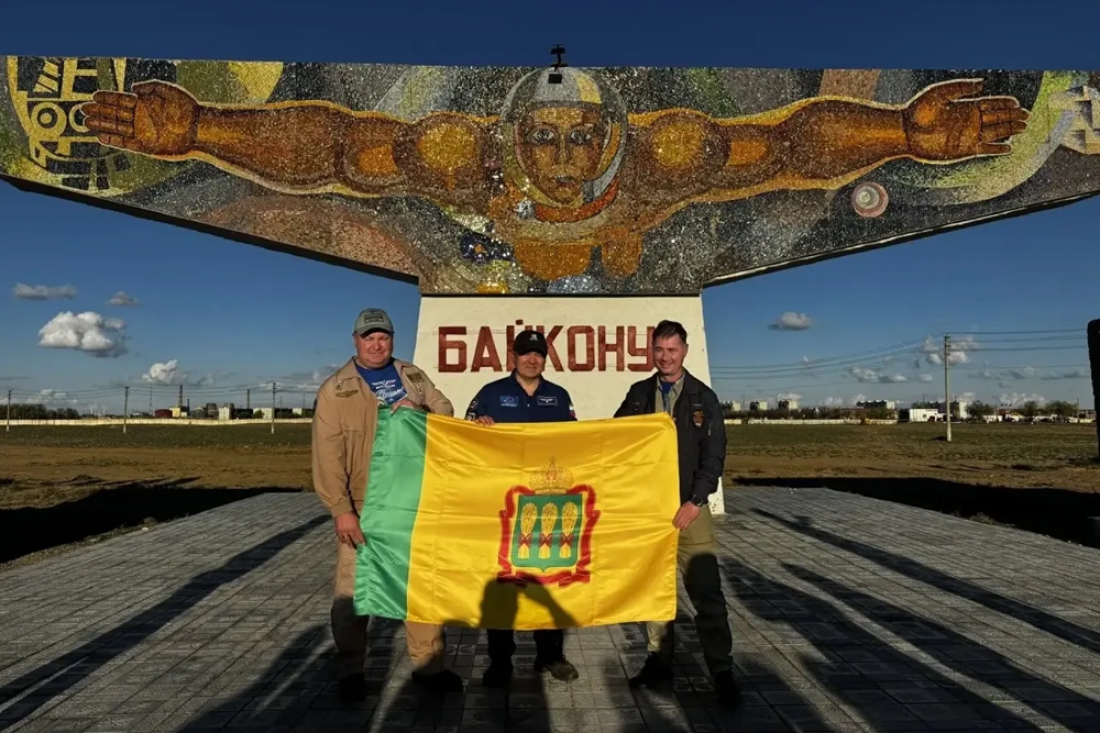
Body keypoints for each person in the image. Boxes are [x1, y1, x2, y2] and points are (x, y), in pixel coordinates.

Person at [312, 307, 463, 700]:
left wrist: (421, 412)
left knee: (420, 587)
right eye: (369, 337)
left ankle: (428, 665)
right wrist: (341, 510)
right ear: (356, 341)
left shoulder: (412, 376)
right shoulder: (335, 390)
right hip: (364, 506)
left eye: (384, 337)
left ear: (392, 340)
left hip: (414, 501)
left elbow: (445, 410)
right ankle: (351, 670)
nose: (377, 344)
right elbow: (327, 457)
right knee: (353, 593)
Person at [612, 319, 741, 708]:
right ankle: (658, 660)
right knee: (655, 591)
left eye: (672, 350)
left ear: (684, 351)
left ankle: (721, 669)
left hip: (690, 510)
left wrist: (695, 500)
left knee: (706, 593)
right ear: (650, 351)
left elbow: (714, 455)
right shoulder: (638, 394)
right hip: (650, 511)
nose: (665, 357)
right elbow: (616, 438)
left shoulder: (704, 398)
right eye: (659, 349)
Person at [464, 329, 581, 688]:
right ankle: (500, 660)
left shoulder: (559, 396)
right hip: (501, 504)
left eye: (538, 354)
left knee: (549, 576)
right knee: (504, 580)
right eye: (526, 353)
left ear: (545, 359)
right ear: (512, 357)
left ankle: (551, 654)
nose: (532, 360)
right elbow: (463, 440)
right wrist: (479, 428)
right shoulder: (490, 394)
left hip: (547, 503)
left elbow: (576, 443)